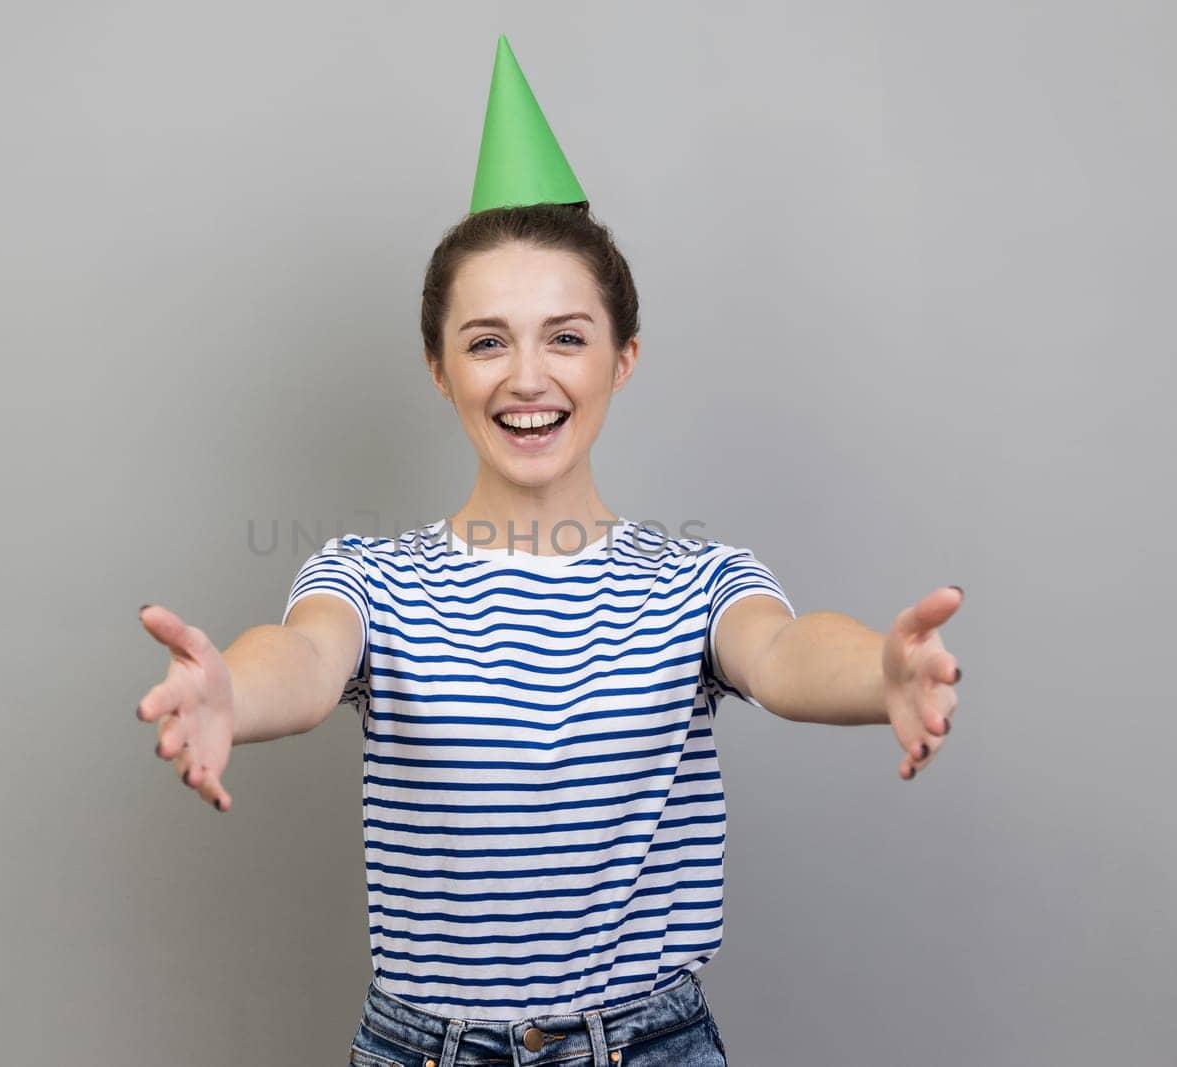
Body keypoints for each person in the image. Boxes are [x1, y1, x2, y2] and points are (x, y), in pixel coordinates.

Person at [134, 35, 962, 1067]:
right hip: (423, 1048)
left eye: (565, 336)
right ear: (438, 368)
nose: (527, 375)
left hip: (645, 1044)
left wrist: (875, 669)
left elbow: (785, 652)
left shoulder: (694, 578)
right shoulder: (370, 578)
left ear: (623, 357)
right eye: (486, 340)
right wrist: (231, 695)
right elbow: (301, 657)